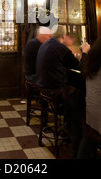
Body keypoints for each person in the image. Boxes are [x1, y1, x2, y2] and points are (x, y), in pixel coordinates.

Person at [35, 25, 89, 157]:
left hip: (42, 88)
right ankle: (75, 133)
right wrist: (85, 51)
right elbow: (80, 67)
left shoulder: (45, 45)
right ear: (63, 36)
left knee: (74, 91)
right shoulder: (60, 48)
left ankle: (67, 126)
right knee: (81, 97)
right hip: (55, 90)